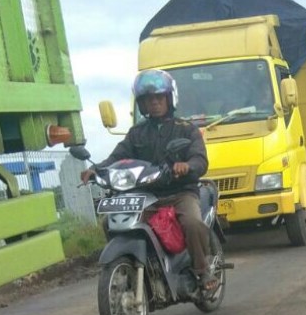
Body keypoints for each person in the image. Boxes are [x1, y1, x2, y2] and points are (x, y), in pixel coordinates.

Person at [81, 69, 217, 292]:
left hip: (180, 193)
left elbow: (199, 159)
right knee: (110, 223)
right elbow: (117, 157)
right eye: (148, 99)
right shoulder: (136, 133)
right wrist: (96, 170)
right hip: (146, 196)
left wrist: (187, 166)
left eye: (159, 97)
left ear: (169, 98)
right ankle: (132, 266)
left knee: (193, 223)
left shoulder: (186, 129)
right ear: (142, 104)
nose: (154, 103)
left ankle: (202, 270)